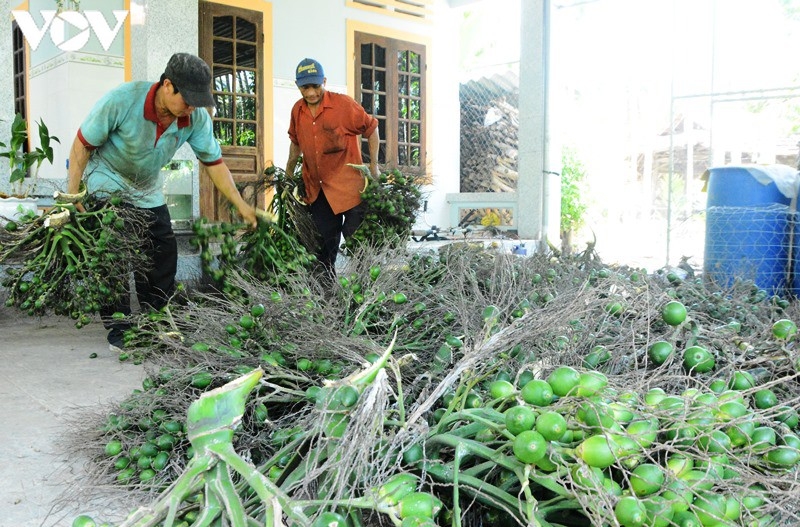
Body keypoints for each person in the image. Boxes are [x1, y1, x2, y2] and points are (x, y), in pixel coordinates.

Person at [66, 52, 257, 352]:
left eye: (198, 100)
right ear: (168, 85)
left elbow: (214, 163)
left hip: (146, 188)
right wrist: (73, 194)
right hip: (107, 181)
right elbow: (82, 144)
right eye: (188, 98)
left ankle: (157, 319)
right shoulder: (123, 100)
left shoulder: (194, 118)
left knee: (162, 249)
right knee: (113, 253)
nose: (192, 106)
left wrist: (240, 204)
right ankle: (120, 328)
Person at [285, 57, 380, 282]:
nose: (310, 93)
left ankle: (368, 290)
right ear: (297, 85)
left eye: (315, 86)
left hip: (350, 189)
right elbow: (295, 142)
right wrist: (288, 175)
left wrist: (374, 167)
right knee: (323, 250)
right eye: (305, 87)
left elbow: (372, 129)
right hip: (318, 191)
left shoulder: (343, 105)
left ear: (324, 81)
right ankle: (327, 297)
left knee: (358, 244)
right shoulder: (297, 110)